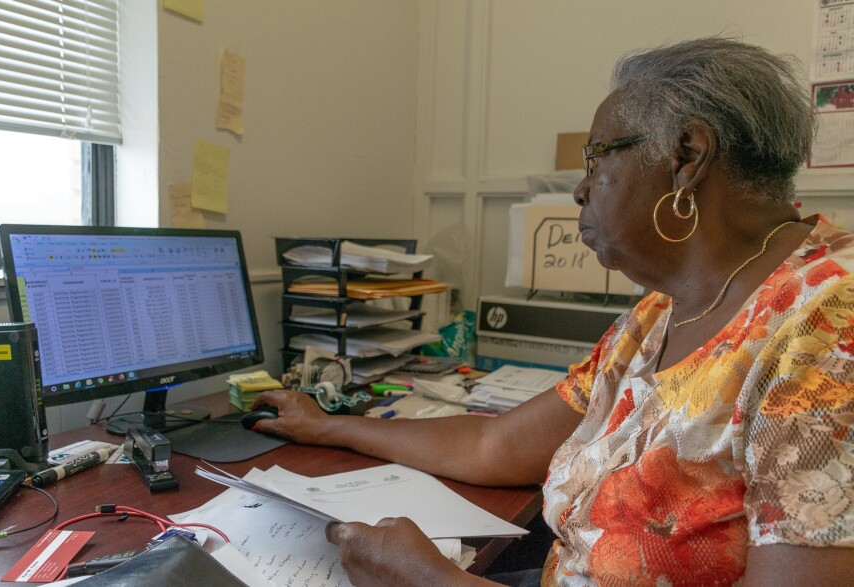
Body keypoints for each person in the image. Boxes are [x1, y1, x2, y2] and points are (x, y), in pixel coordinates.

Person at [252, 37, 854, 586]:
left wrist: (440, 583)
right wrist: (322, 426)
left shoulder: (828, 330)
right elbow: (493, 445)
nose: (580, 189)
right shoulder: (660, 313)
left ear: (687, 155)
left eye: (598, 158)